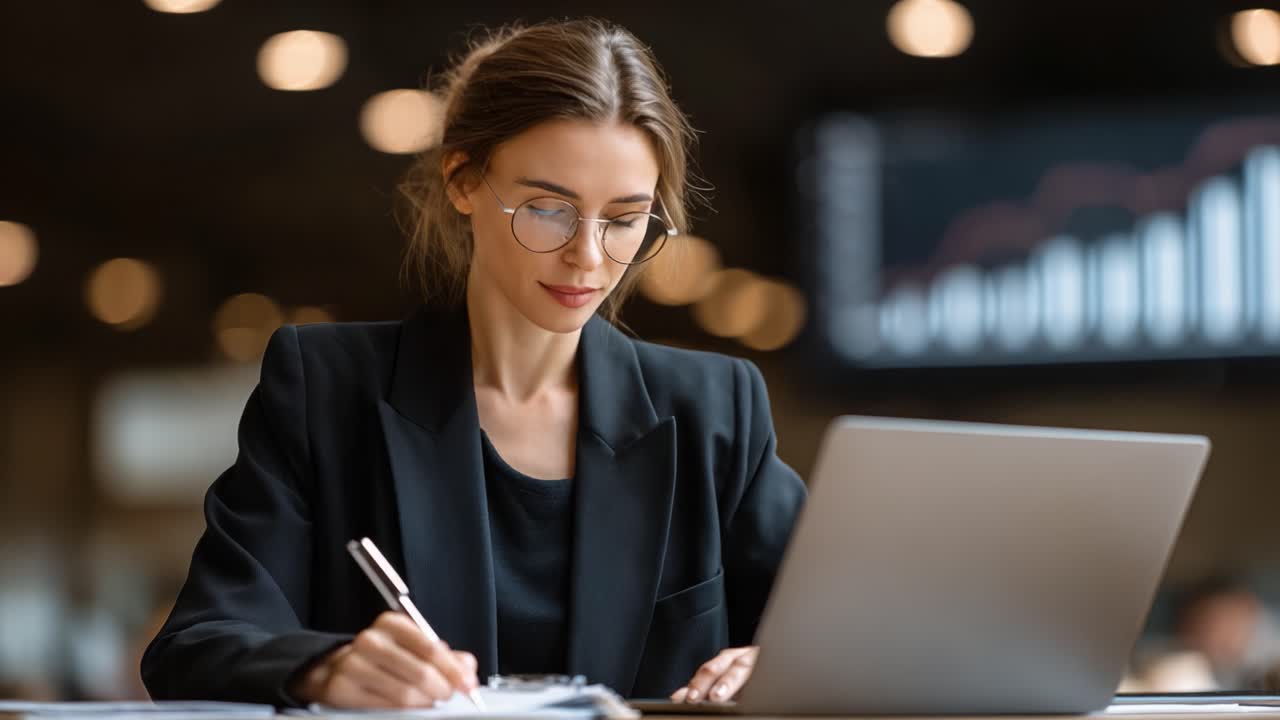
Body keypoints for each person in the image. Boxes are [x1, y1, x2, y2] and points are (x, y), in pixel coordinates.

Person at [140, 17, 806, 709]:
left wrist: (772, 665)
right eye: (549, 209)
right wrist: (323, 668)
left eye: (624, 218)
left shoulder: (714, 411)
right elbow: (197, 642)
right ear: (462, 179)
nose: (588, 255)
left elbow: (840, 639)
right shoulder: (326, 389)